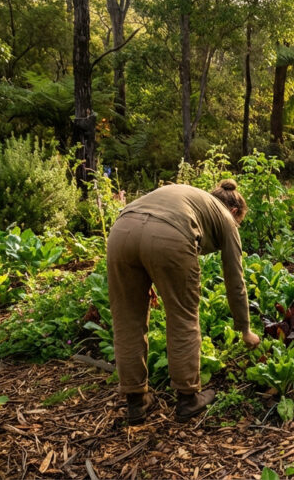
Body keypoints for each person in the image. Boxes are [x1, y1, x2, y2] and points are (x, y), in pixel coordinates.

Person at [107, 179, 260, 424]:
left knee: (127, 320)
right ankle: (188, 399)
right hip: (168, 236)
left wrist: (148, 274)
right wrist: (245, 329)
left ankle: (136, 402)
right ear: (234, 211)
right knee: (182, 317)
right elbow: (235, 279)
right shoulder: (226, 217)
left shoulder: (190, 197)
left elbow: (146, 228)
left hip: (122, 231)